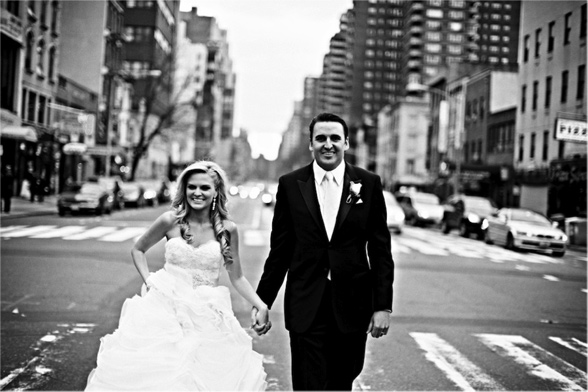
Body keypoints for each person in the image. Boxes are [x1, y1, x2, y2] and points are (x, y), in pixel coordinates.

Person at [86, 161, 269, 391]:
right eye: (192, 187)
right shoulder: (169, 221)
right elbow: (138, 249)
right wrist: (149, 281)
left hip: (207, 314)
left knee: (205, 378)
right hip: (165, 310)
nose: (197, 193)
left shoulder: (227, 229)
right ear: (184, 189)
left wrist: (260, 305)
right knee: (161, 376)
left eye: (204, 188)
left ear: (216, 192)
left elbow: (237, 276)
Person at [255, 113, 395, 391]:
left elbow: (380, 250)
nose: (327, 144)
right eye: (321, 138)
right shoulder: (290, 185)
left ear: (346, 143)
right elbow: (280, 251)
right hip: (307, 303)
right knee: (308, 383)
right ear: (311, 144)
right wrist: (262, 302)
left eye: (334, 138)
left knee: (342, 381)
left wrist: (382, 306)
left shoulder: (368, 184)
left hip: (353, 305)